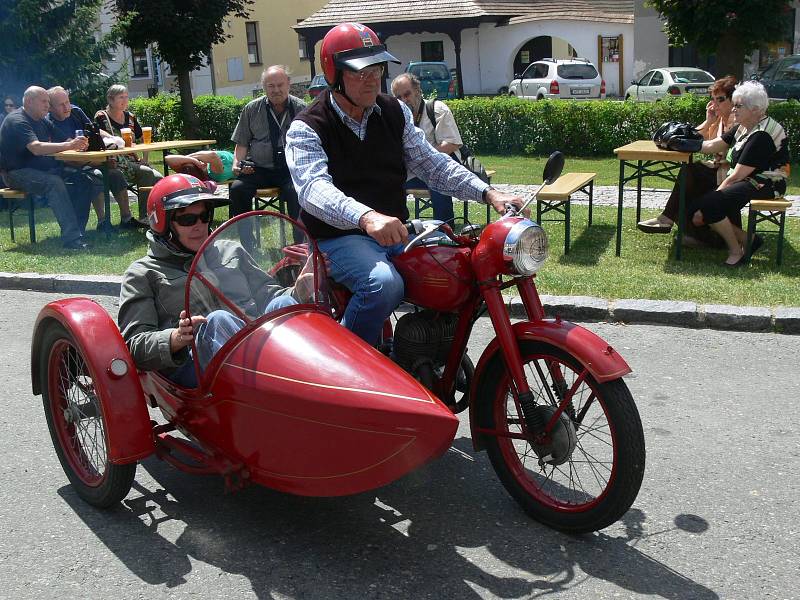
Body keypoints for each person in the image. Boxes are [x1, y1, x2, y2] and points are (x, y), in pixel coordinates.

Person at [286, 22, 525, 346]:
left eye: (377, 68)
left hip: (394, 229)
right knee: (383, 285)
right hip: (337, 238)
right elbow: (313, 190)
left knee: (458, 262)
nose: (372, 78)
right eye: (360, 71)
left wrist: (487, 191)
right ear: (334, 73)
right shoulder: (307, 127)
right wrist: (367, 217)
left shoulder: (392, 111)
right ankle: (353, 367)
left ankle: (433, 353)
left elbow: (431, 163)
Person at [118, 173, 315, 388]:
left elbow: (269, 296)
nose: (199, 225)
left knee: (283, 306)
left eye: (205, 216)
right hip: (195, 369)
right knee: (219, 319)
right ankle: (275, 390)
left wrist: (298, 292)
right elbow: (134, 345)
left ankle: (308, 382)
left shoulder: (232, 250)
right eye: (187, 219)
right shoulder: (142, 273)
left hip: (258, 352)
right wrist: (175, 338)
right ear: (163, 224)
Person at [687, 81, 788, 266]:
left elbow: (736, 176)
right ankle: (749, 240)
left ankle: (736, 251)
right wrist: (682, 142)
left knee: (708, 205)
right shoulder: (743, 126)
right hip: (749, 179)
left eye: (738, 106)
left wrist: (714, 197)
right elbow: (711, 146)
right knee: (700, 205)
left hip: (767, 183)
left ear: (755, 109)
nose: (734, 110)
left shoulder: (761, 135)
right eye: (734, 105)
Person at [637, 76, 739, 246]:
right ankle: (692, 233)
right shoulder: (720, 119)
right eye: (712, 99)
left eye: (720, 99)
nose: (715, 104)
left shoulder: (737, 120)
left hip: (731, 176)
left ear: (734, 99)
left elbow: (710, 146)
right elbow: (696, 135)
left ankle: (670, 220)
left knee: (690, 173)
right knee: (689, 178)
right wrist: (708, 120)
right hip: (718, 171)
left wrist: (686, 143)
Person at [0, 86, 93, 249]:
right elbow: (35, 147)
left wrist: (80, 143)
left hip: (42, 170)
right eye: (44, 101)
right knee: (54, 183)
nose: (47, 106)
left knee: (84, 179)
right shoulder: (17, 120)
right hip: (15, 174)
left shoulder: (42, 120)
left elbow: (65, 140)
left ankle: (79, 231)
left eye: (48, 102)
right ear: (29, 102)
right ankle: (72, 240)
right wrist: (68, 144)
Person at [46, 85, 146, 230]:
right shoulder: (49, 123)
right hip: (68, 167)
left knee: (116, 174)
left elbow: (95, 129)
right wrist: (100, 161)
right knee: (98, 175)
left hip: (90, 160)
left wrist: (113, 138)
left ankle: (127, 219)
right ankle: (102, 222)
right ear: (50, 107)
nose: (67, 107)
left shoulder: (75, 112)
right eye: (61, 104)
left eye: (67, 102)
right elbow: (65, 157)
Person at [230, 65, 306, 244]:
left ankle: (300, 245)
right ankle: (247, 245)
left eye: (280, 85)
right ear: (264, 87)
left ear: (289, 84)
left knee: (297, 192)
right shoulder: (251, 109)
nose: (276, 90)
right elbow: (242, 143)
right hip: (260, 169)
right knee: (237, 189)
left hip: (290, 169)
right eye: (271, 86)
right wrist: (237, 164)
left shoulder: (302, 109)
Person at [391, 72, 464, 222]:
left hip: (440, 168)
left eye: (407, 94)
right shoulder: (396, 116)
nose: (404, 100)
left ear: (417, 91)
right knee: (388, 181)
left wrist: (423, 157)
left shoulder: (437, 109)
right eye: (399, 97)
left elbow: (451, 144)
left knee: (437, 180)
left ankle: (444, 230)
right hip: (412, 173)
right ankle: (397, 229)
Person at [94, 84, 163, 207]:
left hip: (133, 160)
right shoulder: (102, 116)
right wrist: (114, 138)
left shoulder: (130, 117)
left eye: (126, 97)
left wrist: (145, 159)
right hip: (115, 162)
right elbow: (97, 132)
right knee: (148, 173)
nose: (125, 100)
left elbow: (143, 139)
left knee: (159, 178)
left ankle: (152, 213)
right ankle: (145, 215)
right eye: (121, 97)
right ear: (110, 99)